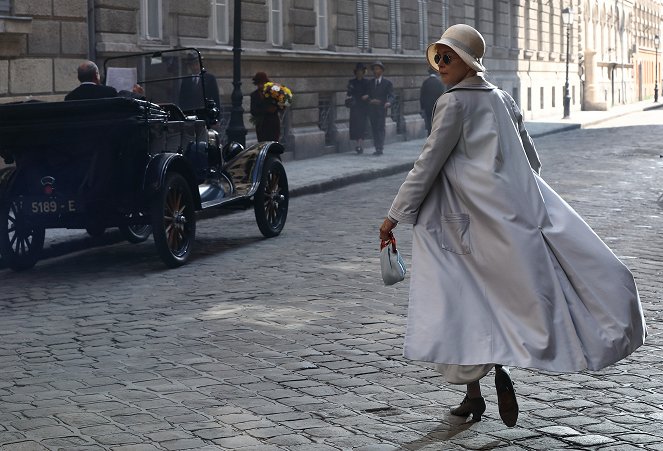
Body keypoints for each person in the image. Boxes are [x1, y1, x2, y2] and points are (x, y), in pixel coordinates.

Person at [378, 24, 646, 428]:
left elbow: (427, 163)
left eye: (448, 57)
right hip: (508, 219)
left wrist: (394, 215)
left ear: (467, 61)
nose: (440, 65)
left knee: (460, 299)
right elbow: (531, 160)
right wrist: (503, 183)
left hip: (461, 225)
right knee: (497, 297)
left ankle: (477, 386)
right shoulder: (502, 97)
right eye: (438, 57)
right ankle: (478, 388)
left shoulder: (453, 104)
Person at [65, 61, 143, 101]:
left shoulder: (70, 98)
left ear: (79, 78)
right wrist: (136, 95)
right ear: (96, 76)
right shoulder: (109, 92)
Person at [364, 61, 394, 155]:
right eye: (374, 69)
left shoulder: (387, 83)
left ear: (382, 71)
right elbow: (367, 95)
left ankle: (380, 148)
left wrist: (388, 102)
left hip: (381, 109)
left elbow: (391, 95)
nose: (375, 71)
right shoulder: (370, 83)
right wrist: (370, 100)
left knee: (380, 128)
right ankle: (377, 147)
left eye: (377, 69)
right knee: (374, 128)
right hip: (372, 109)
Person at [345, 63, 370, 154]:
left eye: (361, 71)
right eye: (358, 71)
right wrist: (349, 98)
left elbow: (369, 93)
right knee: (355, 126)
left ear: (363, 72)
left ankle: (360, 145)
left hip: (363, 107)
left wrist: (366, 96)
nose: (359, 73)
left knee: (362, 126)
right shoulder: (352, 82)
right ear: (356, 72)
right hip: (355, 106)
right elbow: (349, 93)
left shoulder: (366, 82)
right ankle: (357, 144)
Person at [250, 72, 281, 142]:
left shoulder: (273, 93)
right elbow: (253, 111)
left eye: (263, 83)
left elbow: (280, 105)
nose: (261, 86)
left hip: (273, 124)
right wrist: (266, 110)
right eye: (259, 84)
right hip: (262, 126)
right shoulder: (254, 95)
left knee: (273, 145)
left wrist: (276, 108)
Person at [419, 67, 445, 136]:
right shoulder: (439, 83)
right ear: (436, 73)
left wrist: (422, 107)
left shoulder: (425, 82)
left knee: (428, 122)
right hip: (436, 107)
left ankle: (429, 135)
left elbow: (422, 96)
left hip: (427, 107)